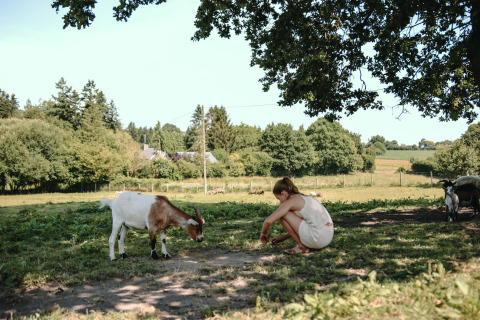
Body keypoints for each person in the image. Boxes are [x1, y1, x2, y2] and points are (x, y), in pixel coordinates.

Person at [260, 177, 334, 254]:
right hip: (327, 237)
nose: (280, 202)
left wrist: (263, 233)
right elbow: (300, 227)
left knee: (281, 215)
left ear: (283, 194)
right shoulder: (305, 198)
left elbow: (268, 221)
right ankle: (303, 245)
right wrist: (282, 238)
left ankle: (301, 247)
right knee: (284, 213)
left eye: (279, 198)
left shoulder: (291, 202)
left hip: (317, 238)